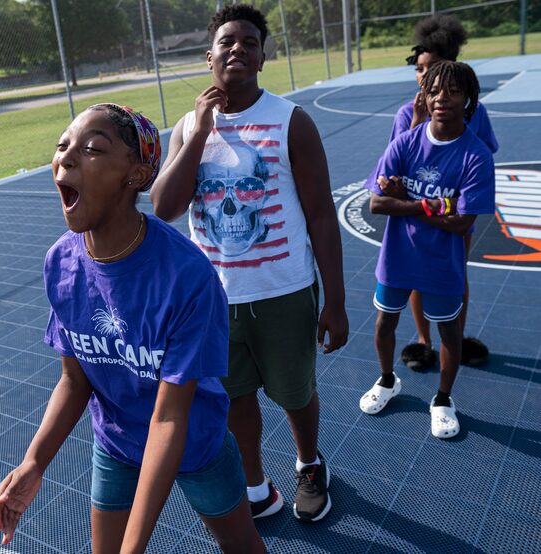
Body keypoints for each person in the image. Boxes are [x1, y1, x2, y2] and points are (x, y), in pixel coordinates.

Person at [0, 104, 266, 553]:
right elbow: (74, 379)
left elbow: (170, 416)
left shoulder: (186, 275)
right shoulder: (61, 262)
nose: (67, 157)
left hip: (193, 440)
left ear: (137, 175)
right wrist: (33, 462)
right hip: (116, 444)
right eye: (62, 146)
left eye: (93, 148)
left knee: (242, 546)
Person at [151, 4, 348, 523]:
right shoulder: (187, 128)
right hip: (216, 299)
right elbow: (165, 208)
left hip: (283, 289)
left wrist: (336, 301)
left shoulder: (291, 122)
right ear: (208, 57)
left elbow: (323, 215)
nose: (238, 48)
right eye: (227, 41)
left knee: (295, 393)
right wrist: (198, 134)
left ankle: (309, 464)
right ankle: (255, 484)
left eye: (250, 42)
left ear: (263, 57)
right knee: (236, 398)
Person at [359, 61, 495, 439]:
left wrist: (407, 199)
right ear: (425, 95)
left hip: (442, 265)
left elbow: (463, 223)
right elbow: (377, 203)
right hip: (397, 259)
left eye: (452, 91)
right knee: (385, 322)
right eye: (434, 90)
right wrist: (432, 206)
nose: (441, 98)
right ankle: (387, 380)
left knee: (450, 336)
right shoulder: (405, 142)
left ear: (468, 98)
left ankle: (443, 399)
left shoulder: (476, 156)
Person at [392, 14, 498, 371]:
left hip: (454, 213)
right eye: (421, 70)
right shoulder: (406, 114)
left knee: (455, 274)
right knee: (416, 278)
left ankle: (455, 335)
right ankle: (424, 341)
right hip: (419, 211)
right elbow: (396, 170)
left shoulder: (473, 112)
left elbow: (480, 155)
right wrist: (418, 123)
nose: (426, 76)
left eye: (435, 68)